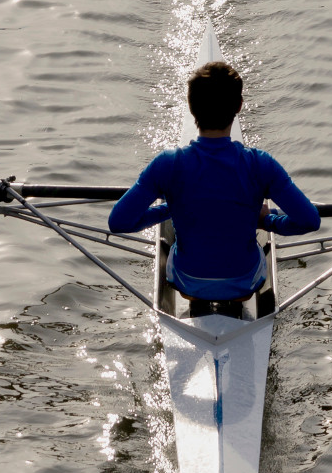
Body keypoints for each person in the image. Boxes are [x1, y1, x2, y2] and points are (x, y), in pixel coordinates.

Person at [108, 61, 320, 303]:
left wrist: (170, 209)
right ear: (239, 106)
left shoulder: (167, 164)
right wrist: (267, 221)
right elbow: (309, 220)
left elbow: (119, 222)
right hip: (245, 282)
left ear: (191, 107)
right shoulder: (261, 164)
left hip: (188, 281)